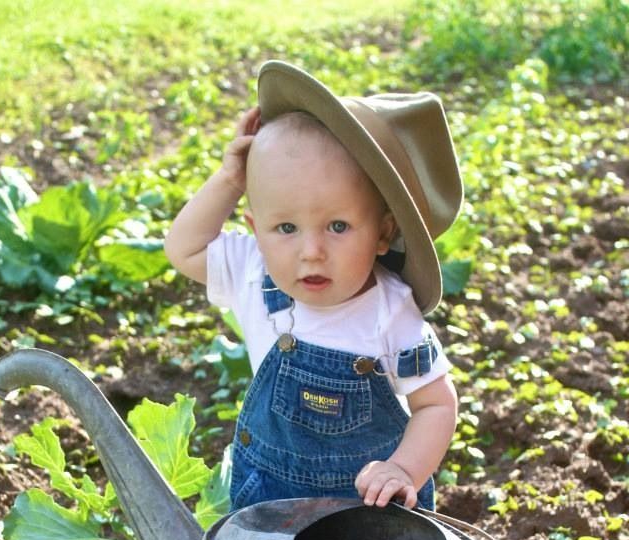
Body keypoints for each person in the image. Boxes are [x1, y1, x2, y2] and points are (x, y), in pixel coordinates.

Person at [164, 60, 463, 512]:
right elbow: (183, 248)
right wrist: (229, 179)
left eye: (338, 226)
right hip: (266, 500)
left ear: (383, 233)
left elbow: (436, 405)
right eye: (285, 228)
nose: (311, 251)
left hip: (368, 511)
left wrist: (403, 469)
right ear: (255, 228)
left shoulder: (390, 309)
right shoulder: (253, 269)